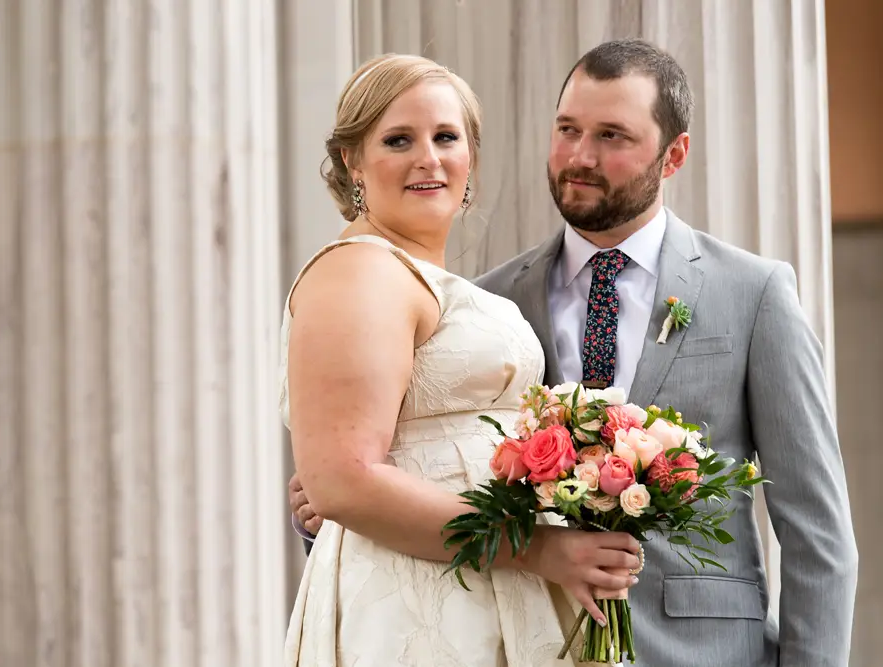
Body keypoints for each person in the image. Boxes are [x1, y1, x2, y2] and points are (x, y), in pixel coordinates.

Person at [289, 40, 859, 667]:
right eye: (568, 130)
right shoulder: (491, 302)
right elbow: (380, 466)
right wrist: (330, 512)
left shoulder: (753, 293)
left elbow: (817, 531)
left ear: (674, 154)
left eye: (612, 135)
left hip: (704, 650)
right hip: (523, 636)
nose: (581, 157)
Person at [280, 53, 642, 666]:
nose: (428, 158)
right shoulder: (358, 271)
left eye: (446, 137)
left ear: (470, 155)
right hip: (421, 611)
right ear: (353, 161)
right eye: (398, 139)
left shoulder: (430, 280)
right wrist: (539, 549)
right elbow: (342, 481)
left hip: (487, 590)